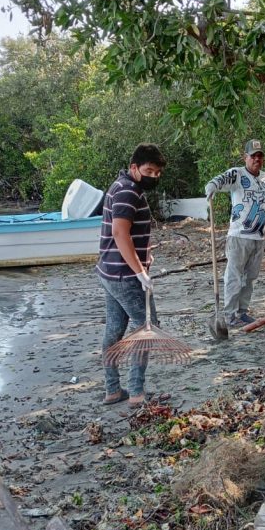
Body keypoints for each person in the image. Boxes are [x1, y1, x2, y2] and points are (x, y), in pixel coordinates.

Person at [96, 143, 166, 406]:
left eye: (157, 173)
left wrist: (144, 256)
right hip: (125, 276)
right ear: (134, 167)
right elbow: (119, 233)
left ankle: (113, 389)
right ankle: (136, 392)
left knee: (114, 329)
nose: (154, 177)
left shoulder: (121, 185)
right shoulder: (128, 191)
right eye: (149, 171)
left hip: (109, 271)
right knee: (147, 327)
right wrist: (140, 272)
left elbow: (125, 234)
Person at [204, 138, 265, 326]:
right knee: (234, 276)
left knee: (250, 278)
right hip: (238, 237)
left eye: (260, 156)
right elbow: (219, 180)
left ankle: (242, 311)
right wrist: (211, 187)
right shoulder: (237, 174)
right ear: (245, 157)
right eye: (253, 156)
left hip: (258, 237)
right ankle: (229, 314)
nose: (257, 159)